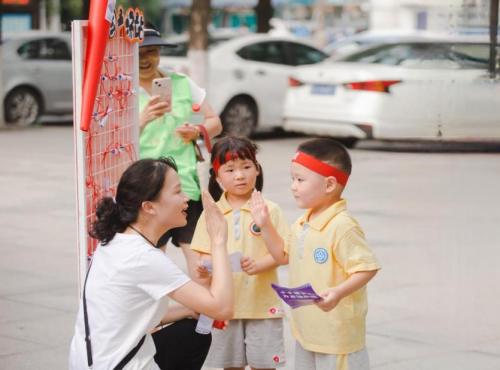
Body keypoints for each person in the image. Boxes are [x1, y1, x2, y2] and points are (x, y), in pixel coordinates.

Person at [69, 158, 233, 370]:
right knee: (194, 335)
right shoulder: (143, 258)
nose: (186, 199)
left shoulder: (115, 240)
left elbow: (129, 316)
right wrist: (218, 240)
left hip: (90, 362)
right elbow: (222, 308)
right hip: (119, 365)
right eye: (177, 192)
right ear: (148, 207)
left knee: (191, 333)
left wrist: (187, 310)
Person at [138, 27, 223, 369]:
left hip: (185, 188)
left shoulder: (184, 84)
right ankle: (148, 323)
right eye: (141, 52)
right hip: (148, 197)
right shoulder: (120, 91)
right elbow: (110, 137)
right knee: (148, 266)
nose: (147, 58)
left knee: (200, 265)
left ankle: (203, 323)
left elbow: (215, 119)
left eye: (153, 51)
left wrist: (198, 130)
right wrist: (141, 119)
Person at [190, 136, 289, 370]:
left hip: (263, 306)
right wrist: (205, 268)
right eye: (230, 169)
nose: (240, 175)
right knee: (230, 366)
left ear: (257, 169)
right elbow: (202, 256)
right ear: (217, 176)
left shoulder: (270, 210)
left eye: (246, 167)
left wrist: (260, 264)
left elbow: (283, 254)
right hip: (224, 307)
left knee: (264, 365)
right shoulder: (210, 214)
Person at [287, 138, 381, 370]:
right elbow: (283, 254)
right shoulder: (301, 222)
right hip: (307, 331)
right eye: (293, 179)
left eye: (300, 180)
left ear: (329, 185)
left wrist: (338, 292)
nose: (293, 186)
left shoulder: (342, 226)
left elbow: (366, 267)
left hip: (338, 336)